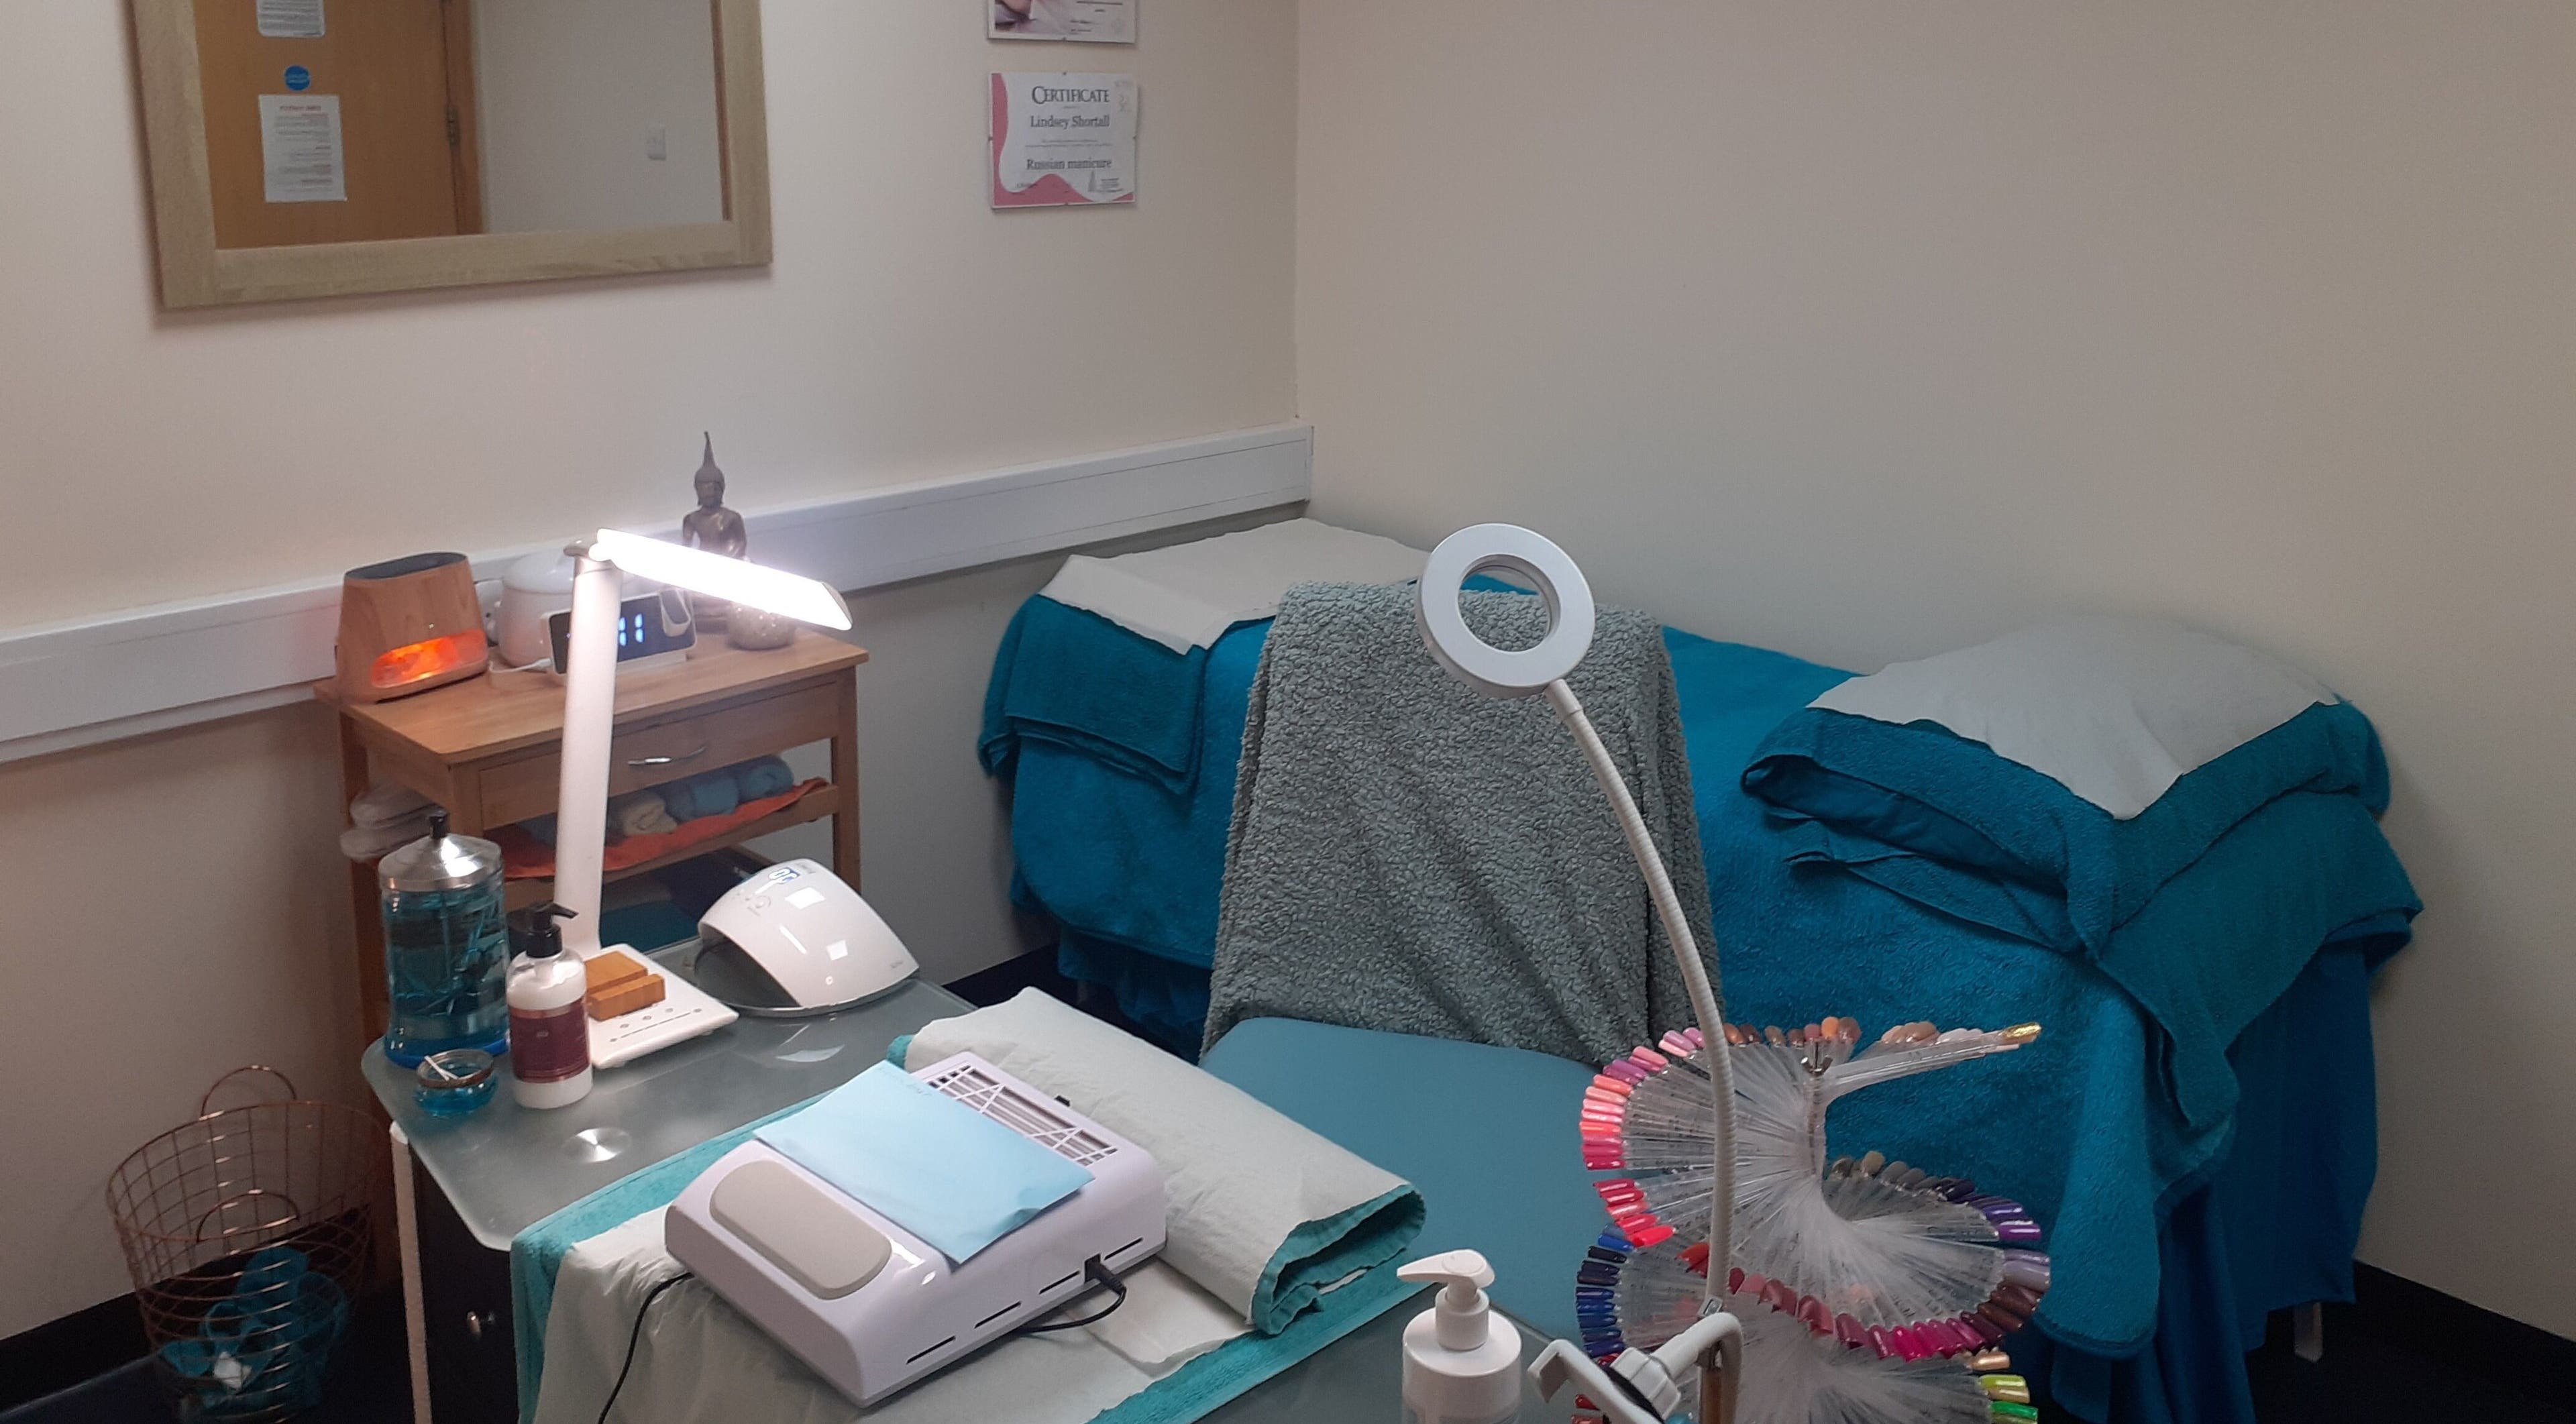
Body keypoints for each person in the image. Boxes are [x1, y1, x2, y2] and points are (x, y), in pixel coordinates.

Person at [680, 434, 747, 629]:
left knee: (747, 573)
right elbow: (686, 548)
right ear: (697, 490)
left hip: (726, 565)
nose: (709, 493)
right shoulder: (691, 519)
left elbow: (741, 544)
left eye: (714, 488)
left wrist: (725, 561)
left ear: (722, 490)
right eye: (704, 488)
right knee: (678, 590)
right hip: (703, 567)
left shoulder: (732, 518)